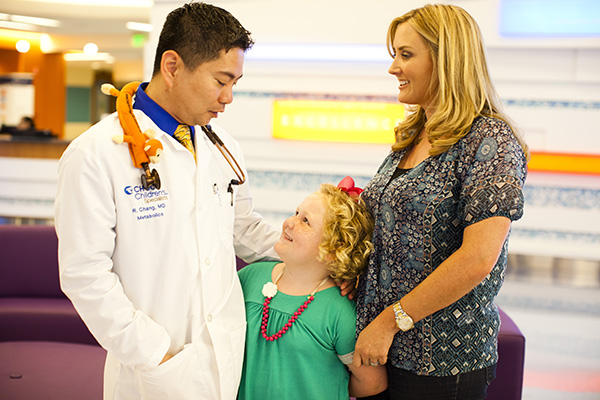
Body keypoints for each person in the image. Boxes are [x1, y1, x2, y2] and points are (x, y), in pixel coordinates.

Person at [54, 3, 280, 399]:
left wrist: (319, 257)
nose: (228, 98)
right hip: (153, 367)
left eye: (235, 83)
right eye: (220, 80)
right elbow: (84, 273)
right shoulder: (94, 153)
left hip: (225, 355)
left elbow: (243, 228)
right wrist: (156, 354)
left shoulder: (222, 146)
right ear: (172, 67)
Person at [353, 4, 528, 400]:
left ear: (447, 59)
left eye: (406, 55)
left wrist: (390, 322)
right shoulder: (414, 134)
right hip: (384, 352)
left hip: (441, 362)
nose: (393, 68)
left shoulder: (490, 141)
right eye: (393, 55)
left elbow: (477, 259)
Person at [237, 178, 388, 400]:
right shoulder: (248, 278)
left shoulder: (338, 311)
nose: (290, 222)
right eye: (296, 213)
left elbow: (372, 382)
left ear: (333, 250)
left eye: (305, 221)